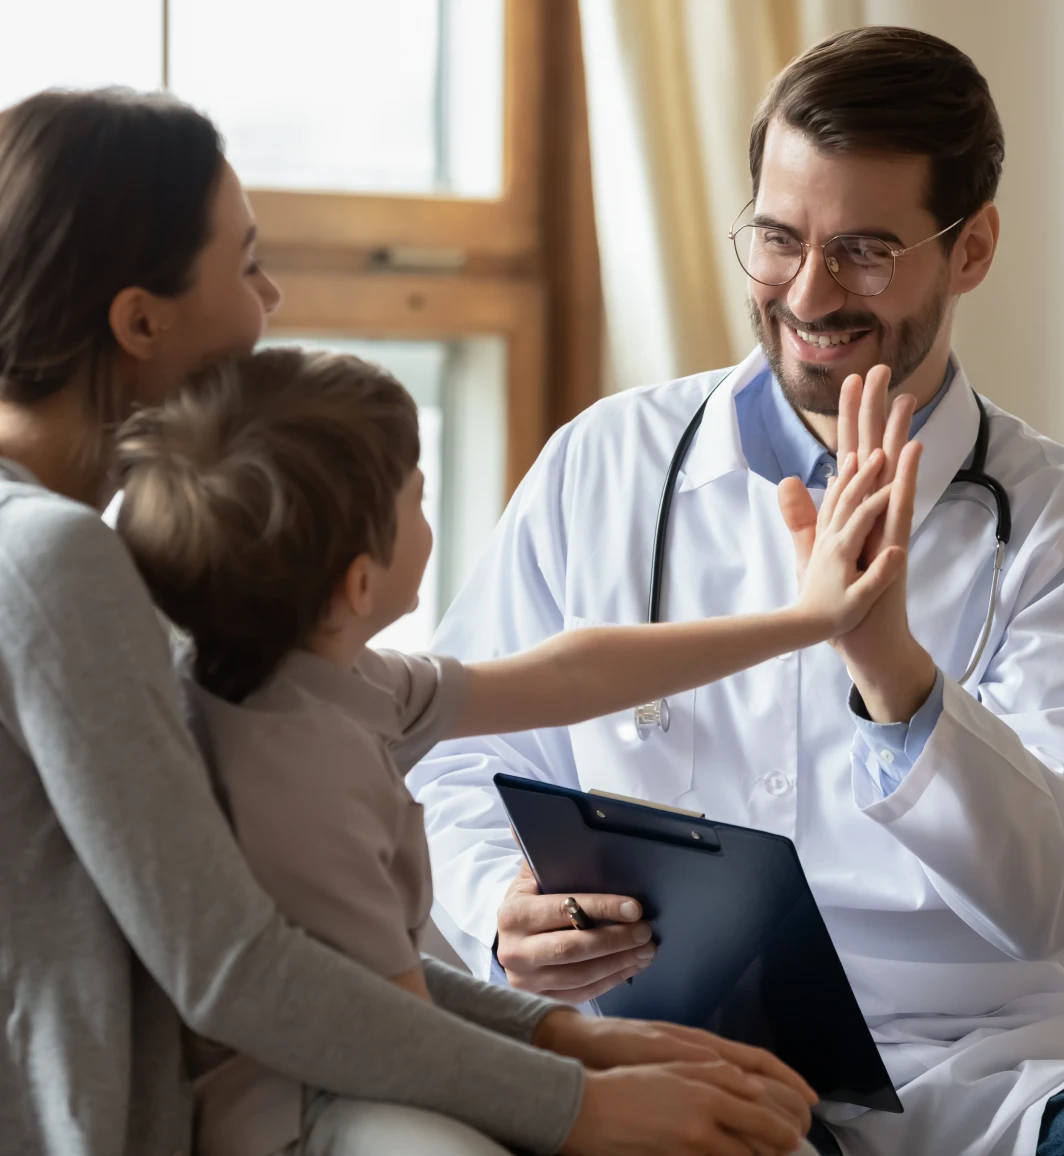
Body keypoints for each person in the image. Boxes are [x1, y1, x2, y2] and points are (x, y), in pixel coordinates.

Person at [0, 87, 819, 1156]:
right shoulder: (54, 564)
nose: (271, 297)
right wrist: (578, 1099)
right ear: (139, 318)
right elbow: (234, 961)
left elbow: (308, 939)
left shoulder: (97, 557)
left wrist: (577, 1039)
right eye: (244, 264)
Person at [411, 25, 1064, 1156]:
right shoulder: (602, 463)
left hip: (968, 1079)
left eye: (864, 249)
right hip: (663, 1052)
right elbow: (456, 748)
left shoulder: (1045, 518)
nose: (806, 294)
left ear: (970, 251)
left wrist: (890, 673)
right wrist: (499, 908)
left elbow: (1045, 889)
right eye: (775, 239)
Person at [113, 344, 910, 1155]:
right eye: (417, 500)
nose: (431, 514)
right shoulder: (309, 779)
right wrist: (588, 1086)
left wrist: (806, 621)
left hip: (392, 1045)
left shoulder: (329, 679)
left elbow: (567, 674)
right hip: (307, 1107)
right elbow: (398, 1031)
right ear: (358, 586)